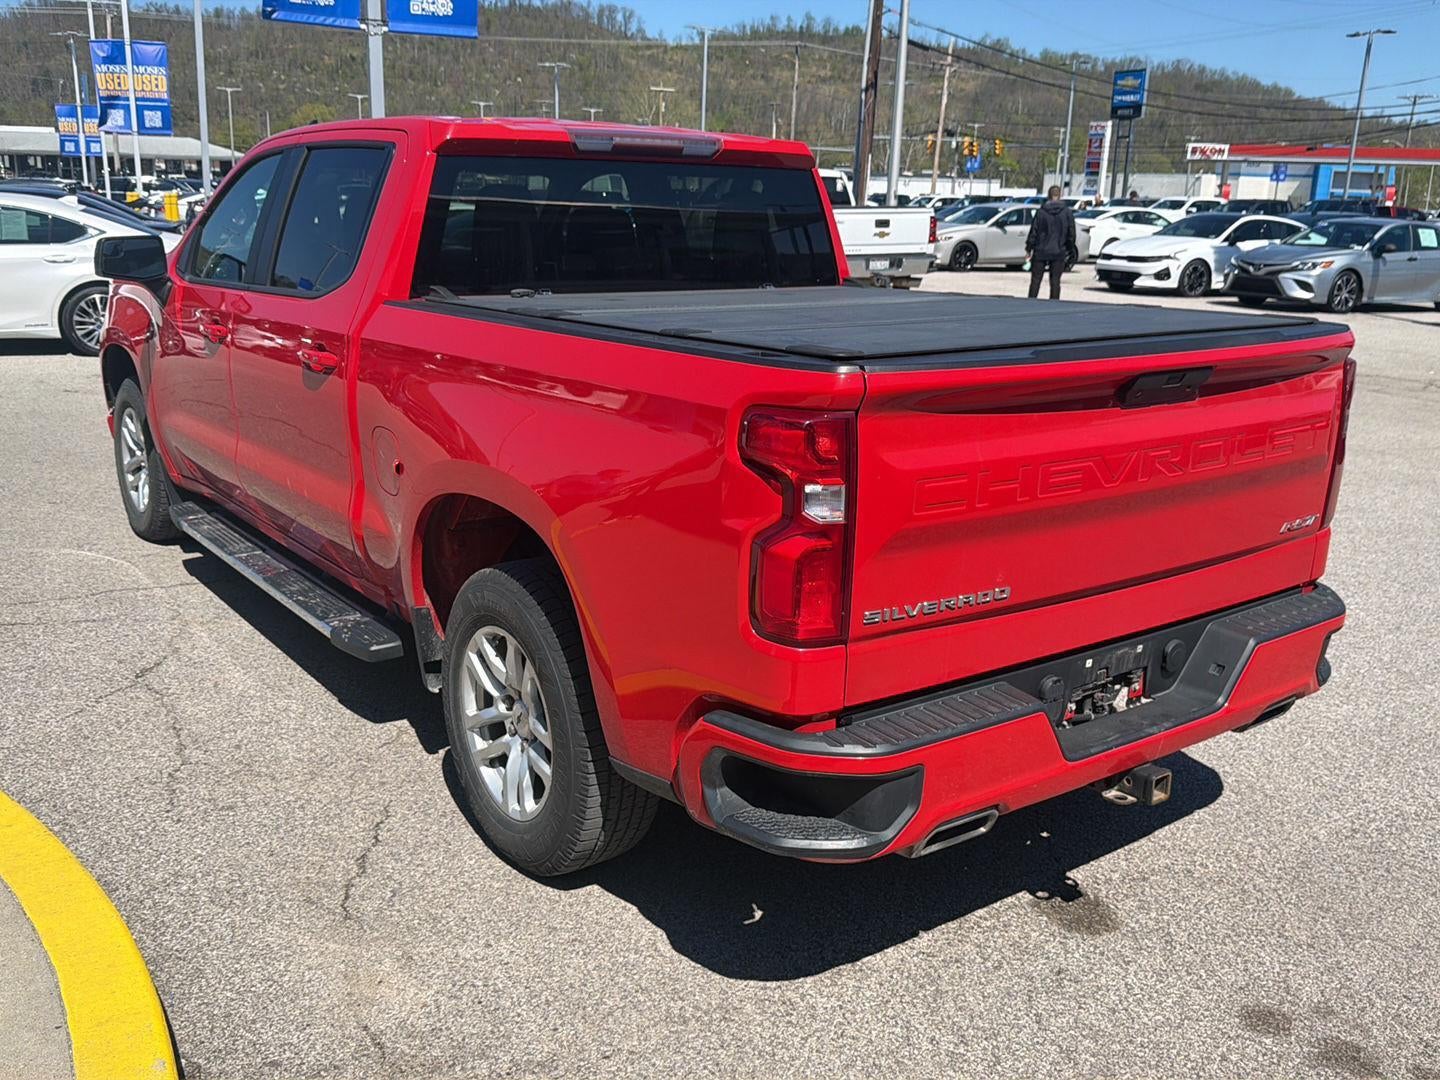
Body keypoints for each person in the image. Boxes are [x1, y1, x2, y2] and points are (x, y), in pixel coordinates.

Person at [1026, 185, 1077, 300]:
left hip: (1041, 250)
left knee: (1035, 280)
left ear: (1048, 196)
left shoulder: (1041, 212)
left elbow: (1033, 231)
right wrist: (1069, 249)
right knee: (1055, 282)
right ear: (1060, 195)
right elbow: (1071, 233)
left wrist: (1029, 248)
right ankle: (1053, 304)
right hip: (1059, 250)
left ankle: (1030, 303)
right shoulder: (1067, 213)